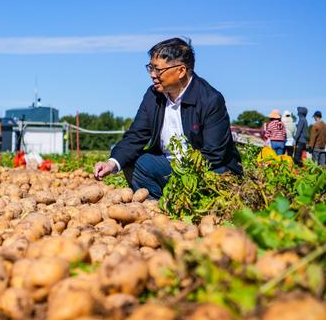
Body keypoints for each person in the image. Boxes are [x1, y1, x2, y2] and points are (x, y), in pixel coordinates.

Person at [94, 38, 242, 199]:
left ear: (181, 71)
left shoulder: (210, 100)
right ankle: (158, 208)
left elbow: (214, 154)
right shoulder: (153, 96)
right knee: (131, 161)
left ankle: (191, 205)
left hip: (209, 170)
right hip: (170, 168)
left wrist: (184, 177)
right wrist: (111, 163)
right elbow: (136, 135)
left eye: (158, 70)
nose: (152, 75)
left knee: (218, 176)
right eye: (150, 68)